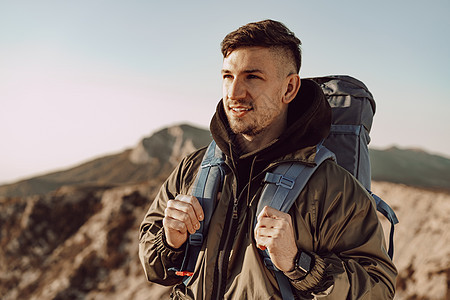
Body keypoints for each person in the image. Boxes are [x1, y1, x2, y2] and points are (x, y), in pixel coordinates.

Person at [139, 19, 397, 299]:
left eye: (252, 77)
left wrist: (299, 264)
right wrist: (169, 242)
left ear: (289, 89)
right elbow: (154, 268)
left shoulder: (332, 187)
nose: (234, 93)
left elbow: (379, 288)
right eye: (227, 76)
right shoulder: (194, 168)